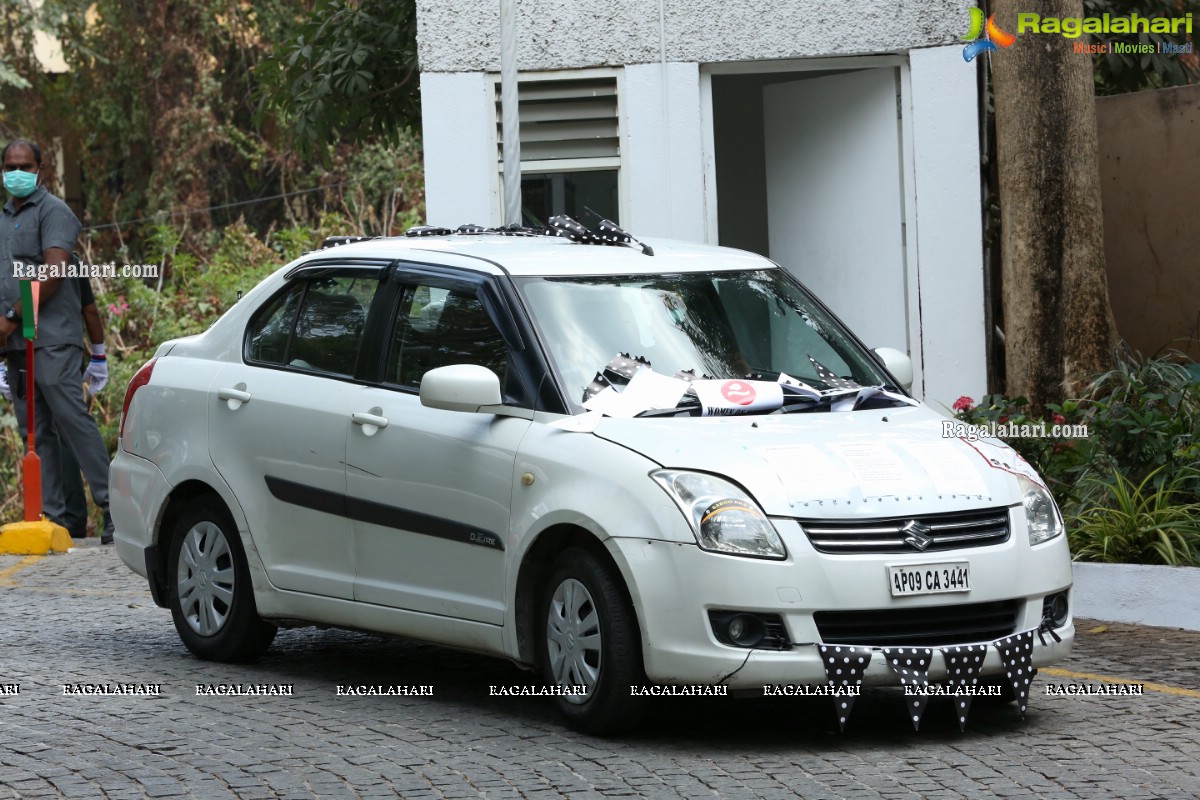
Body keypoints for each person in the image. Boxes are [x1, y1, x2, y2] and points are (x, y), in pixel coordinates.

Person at [0, 138, 114, 543]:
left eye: (25, 166)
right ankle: (57, 519)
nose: (17, 173)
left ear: (40, 170)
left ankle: (113, 506)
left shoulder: (54, 212)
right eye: (10, 166)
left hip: (49, 337)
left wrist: (14, 317)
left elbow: (51, 273)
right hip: (14, 346)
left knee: (71, 420)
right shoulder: (2, 220)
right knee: (36, 428)